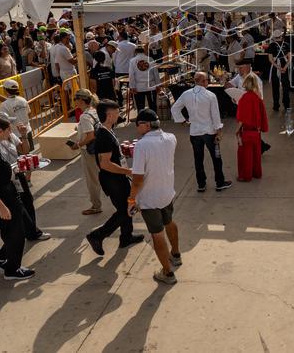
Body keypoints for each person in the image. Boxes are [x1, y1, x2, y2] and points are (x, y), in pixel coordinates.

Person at [0, 114, 35, 280]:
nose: (11, 133)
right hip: (4, 199)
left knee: (15, 231)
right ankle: (12, 269)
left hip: (9, 195)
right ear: (0, 131)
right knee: (16, 234)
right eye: (9, 130)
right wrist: (1, 206)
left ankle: (0, 258)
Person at [128, 108, 182, 285]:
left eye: (138, 125)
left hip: (149, 198)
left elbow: (137, 179)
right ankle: (176, 254)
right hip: (167, 193)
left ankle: (167, 273)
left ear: (146, 125)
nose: (137, 128)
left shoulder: (141, 145)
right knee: (169, 222)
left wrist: (131, 200)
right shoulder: (171, 138)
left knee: (157, 234)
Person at [85, 99, 144, 255]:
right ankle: (97, 235)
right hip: (113, 180)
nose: (119, 115)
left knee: (128, 206)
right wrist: (128, 171)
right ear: (109, 115)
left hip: (117, 177)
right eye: (117, 113)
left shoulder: (107, 130)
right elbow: (105, 164)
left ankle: (126, 237)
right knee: (124, 211)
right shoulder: (104, 135)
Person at [0, 111, 50, 242]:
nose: (11, 127)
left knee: (27, 201)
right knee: (18, 208)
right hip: (6, 181)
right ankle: (23, 235)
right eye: (8, 124)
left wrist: (24, 135)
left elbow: (24, 150)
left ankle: (32, 232)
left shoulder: (10, 135)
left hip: (18, 174)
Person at [170, 72, 231, 193]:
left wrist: (182, 121)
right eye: (207, 80)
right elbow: (215, 115)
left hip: (195, 132)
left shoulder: (186, 94)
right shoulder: (210, 95)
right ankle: (219, 182)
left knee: (198, 159)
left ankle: (201, 184)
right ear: (203, 81)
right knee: (216, 158)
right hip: (209, 131)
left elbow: (175, 108)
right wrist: (218, 131)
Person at [69, 89, 103, 215]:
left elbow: (90, 136)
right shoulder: (94, 111)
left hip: (89, 152)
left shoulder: (84, 116)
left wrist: (78, 145)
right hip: (99, 149)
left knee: (92, 180)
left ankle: (96, 206)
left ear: (82, 100)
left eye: (75, 99)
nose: (74, 101)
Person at [235, 74, 269, 182]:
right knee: (256, 155)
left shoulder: (244, 98)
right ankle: (257, 173)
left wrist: (237, 131)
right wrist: (263, 128)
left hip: (246, 131)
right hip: (256, 131)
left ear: (245, 84)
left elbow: (241, 117)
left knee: (245, 156)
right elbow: (263, 115)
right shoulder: (258, 98)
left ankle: (246, 176)